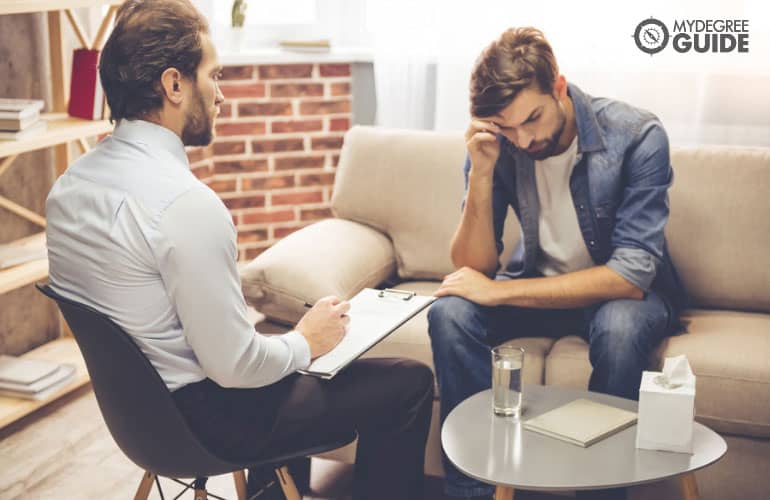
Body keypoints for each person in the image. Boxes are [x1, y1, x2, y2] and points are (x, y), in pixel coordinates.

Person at [44, 2, 433, 499]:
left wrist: (291, 349)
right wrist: (307, 341)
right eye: (215, 74)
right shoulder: (185, 205)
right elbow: (235, 368)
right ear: (174, 85)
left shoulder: (68, 189)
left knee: (286, 363)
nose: (221, 93)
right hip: (209, 425)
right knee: (408, 382)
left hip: (136, 425)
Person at [427, 27, 687, 500]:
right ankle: (473, 491)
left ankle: (600, 492)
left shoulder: (637, 135)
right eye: (507, 127)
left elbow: (630, 275)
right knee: (449, 313)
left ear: (559, 87)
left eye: (532, 119)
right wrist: (481, 172)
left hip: (617, 298)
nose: (523, 139)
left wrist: (499, 291)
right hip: (537, 287)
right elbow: (472, 266)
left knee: (622, 330)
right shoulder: (497, 142)